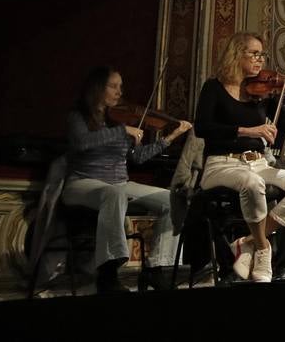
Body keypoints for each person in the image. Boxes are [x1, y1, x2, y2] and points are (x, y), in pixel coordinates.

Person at [193, 32, 285, 282]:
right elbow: (202, 128)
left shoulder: (263, 93)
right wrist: (248, 130)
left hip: (257, 162)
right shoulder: (214, 87)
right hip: (221, 164)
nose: (260, 60)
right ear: (237, 54)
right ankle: (262, 248)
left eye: (262, 55)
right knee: (253, 183)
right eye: (254, 54)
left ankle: (249, 242)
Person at [62, 66, 192, 293]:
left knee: (172, 199)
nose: (119, 92)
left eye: (120, 87)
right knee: (114, 193)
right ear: (97, 88)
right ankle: (108, 272)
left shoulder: (117, 122)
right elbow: (82, 143)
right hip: (81, 183)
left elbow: (137, 157)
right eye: (113, 86)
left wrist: (170, 138)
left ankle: (156, 267)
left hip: (119, 184)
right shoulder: (78, 117)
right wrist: (123, 131)